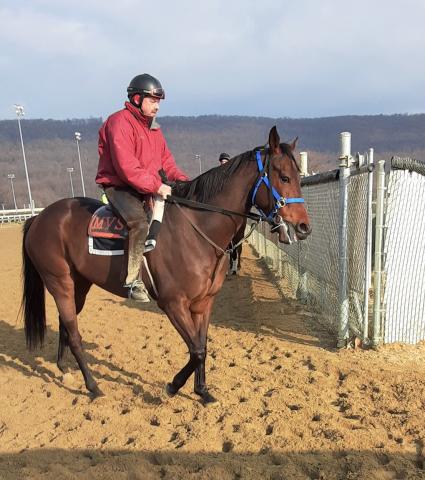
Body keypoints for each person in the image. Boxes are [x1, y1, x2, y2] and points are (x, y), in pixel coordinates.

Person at [96, 73, 188, 302]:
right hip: (120, 187)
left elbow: (167, 162)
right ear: (137, 99)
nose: (157, 106)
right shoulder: (118, 122)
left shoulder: (154, 129)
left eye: (158, 102)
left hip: (147, 186)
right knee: (139, 223)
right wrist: (158, 186)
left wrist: (185, 183)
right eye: (153, 100)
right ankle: (132, 280)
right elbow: (127, 168)